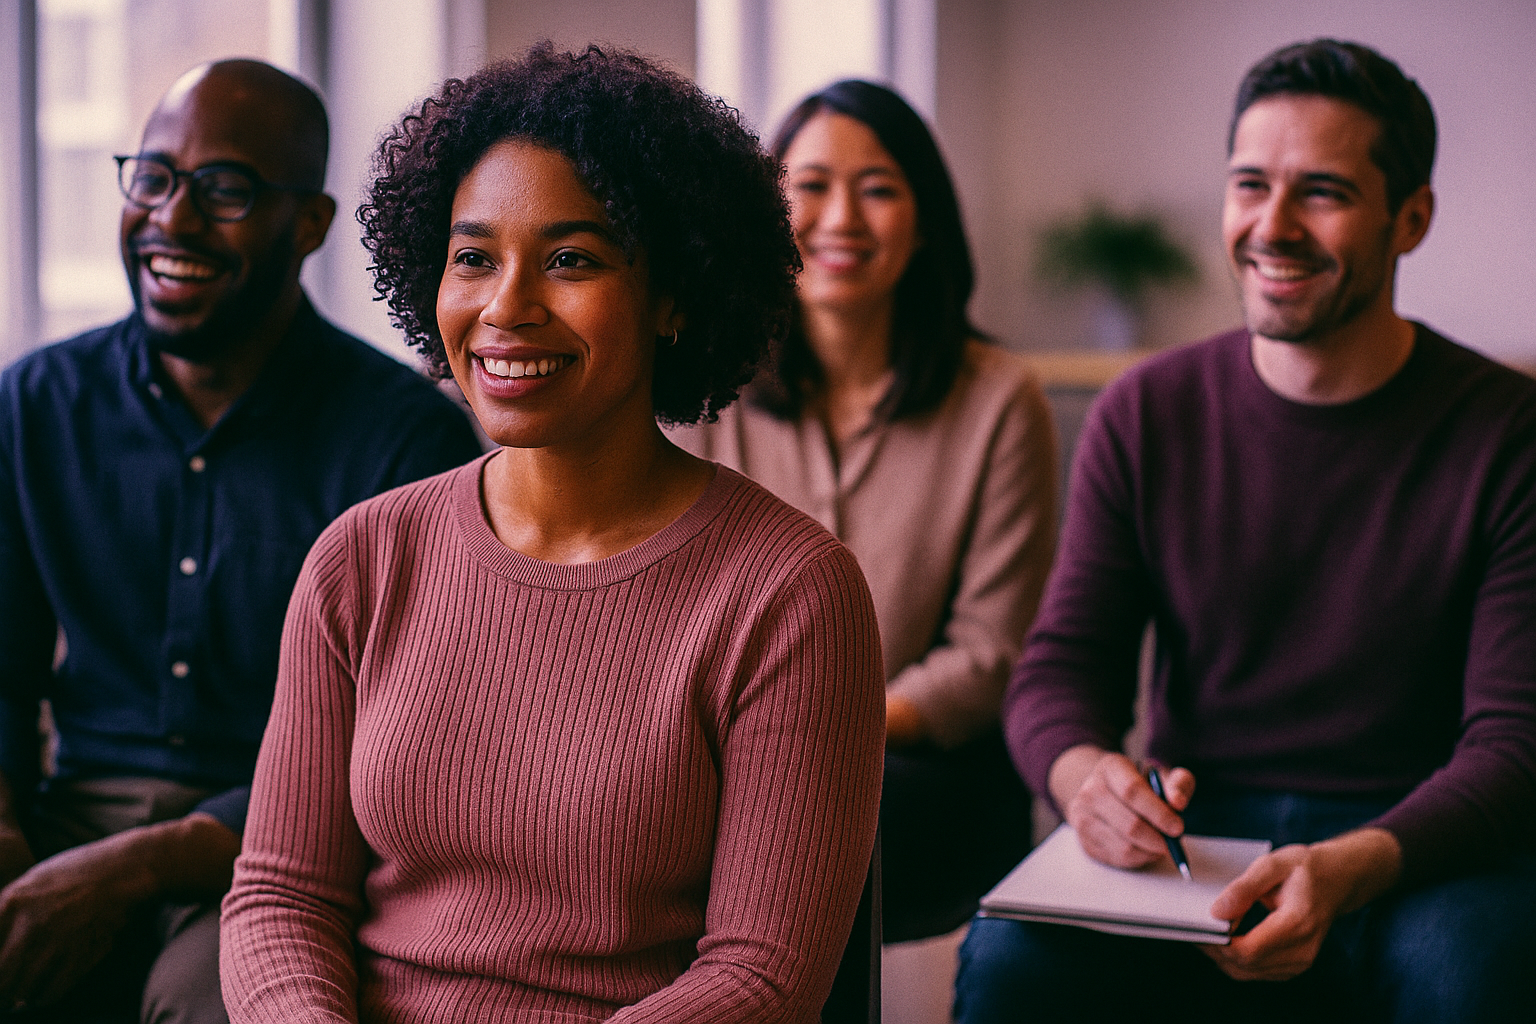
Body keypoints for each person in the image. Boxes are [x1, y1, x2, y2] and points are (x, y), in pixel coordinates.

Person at [218, 45, 886, 1024]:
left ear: (674, 295)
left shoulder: (791, 590)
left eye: (571, 259)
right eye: (474, 257)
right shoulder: (360, 559)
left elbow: (761, 979)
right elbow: (280, 896)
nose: (506, 307)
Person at [954, 39, 1536, 1023]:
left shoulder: (1507, 433)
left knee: (1470, 977)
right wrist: (1084, 774)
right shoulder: (1143, 413)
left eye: (1322, 193)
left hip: (1420, 846)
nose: (1273, 226)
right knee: (1011, 963)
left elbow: (1515, 747)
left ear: (1412, 218)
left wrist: (1344, 870)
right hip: (1199, 839)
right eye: (1250, 184)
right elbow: (1057, 670)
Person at [0, 59, 481, 1022]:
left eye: (225, 190)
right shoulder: (36, 403)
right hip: (66, 814)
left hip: (276, 848)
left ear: (309, 225)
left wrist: (131, 870)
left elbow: (395, 748)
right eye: (154, 178)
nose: (172, 220)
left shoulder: (404, 439)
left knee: (214, 1008)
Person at [672, 80, 1057, 942]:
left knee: (799, 840)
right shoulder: (702, 388)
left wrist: (817, 724)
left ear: (924, 223)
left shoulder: (1000, 399)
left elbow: (990, 655)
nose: (841, 217)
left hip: (922, 772)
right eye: (809, 187)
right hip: (719, 758)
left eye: (878, 188)